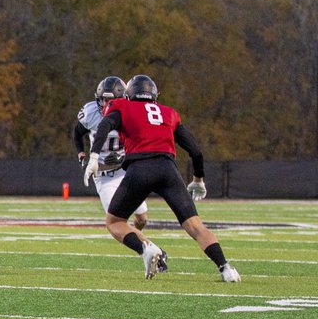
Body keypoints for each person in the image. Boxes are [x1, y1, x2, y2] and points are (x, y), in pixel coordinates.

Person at [84, 74, 240, 282]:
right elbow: (196, 151)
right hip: (168, 170)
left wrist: (94, 155)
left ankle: (145, 248)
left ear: (129, 94)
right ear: (155, 95)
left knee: (115, 222)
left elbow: (104, 125)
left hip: (139, 169)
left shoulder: (123, 106)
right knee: (195, 225)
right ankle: (226, 268)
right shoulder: (169, 113)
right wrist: (198, 179)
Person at [72, 75, 163, 268]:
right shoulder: (90, 113)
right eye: (104, 100)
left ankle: (147, 245)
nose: (107, 104)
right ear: (99, 99)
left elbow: (140, 141)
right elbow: (77, 132)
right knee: (116, 220)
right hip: (103, 175)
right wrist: (82, 154)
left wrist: (123, 158)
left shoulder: (130, 112)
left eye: (112, 100)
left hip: (125, 169)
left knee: (142, 218)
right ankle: (152, 251)